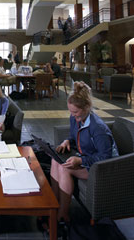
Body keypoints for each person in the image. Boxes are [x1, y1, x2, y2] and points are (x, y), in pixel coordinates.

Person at [50, 82, 118, 224]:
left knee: (64, 168)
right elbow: (74, 135)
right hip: (87, 158)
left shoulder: (98, 128)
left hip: (105, 168)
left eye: (75, 112)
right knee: (55, 160)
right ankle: (53, 205)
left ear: (87, 107)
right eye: (71, 112)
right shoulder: (76, 118)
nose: (73, 116)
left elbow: (105, 158)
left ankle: (62, 215)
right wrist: (66, 141)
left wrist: (80, 161)